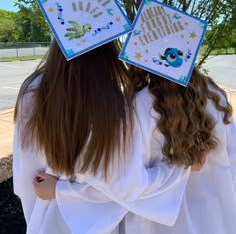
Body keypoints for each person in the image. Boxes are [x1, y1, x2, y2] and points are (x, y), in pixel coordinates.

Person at [13, 40, 193, 234]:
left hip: (53, 215)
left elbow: (27, 175)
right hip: (102, 220)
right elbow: (122, 185)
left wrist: (54, 195)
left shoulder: (33, 91)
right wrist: (183, 166)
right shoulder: (119, 93)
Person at [33, 66, 236, 234]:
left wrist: (62, 191)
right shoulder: (213, 95)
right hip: (214, 215)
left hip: (157, 225)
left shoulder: (136, 109)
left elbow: (126, 187)